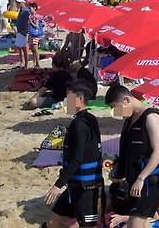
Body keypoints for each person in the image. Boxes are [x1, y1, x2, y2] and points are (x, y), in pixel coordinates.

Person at [105, 85, 159, 228]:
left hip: (150, 180)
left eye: (117, 107)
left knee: (135, 224)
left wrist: (141, 178)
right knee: (143, 222)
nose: (116, 113)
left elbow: (158, 151)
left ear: (127, 100)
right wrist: (118, 169)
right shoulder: (130, 119)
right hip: (135, 180)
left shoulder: (151, 117)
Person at [44, 80, 104, 228]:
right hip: (74, 185)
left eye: (68, 98)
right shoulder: (89, 118)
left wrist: (58, 185)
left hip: (86, 188)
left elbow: (77, 159)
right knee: (52, 222)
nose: (65, 102)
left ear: (80, 99)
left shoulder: (80, 125)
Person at [14, 0, 31, 68]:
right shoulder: (21, 10)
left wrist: (26, 31)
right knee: (19, 47)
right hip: (19, 31)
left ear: (23, 3)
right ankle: (22, 62)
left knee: (24, 48)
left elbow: (28, 22)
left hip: (23, 32)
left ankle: (26, 64)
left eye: (19, 2)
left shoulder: (25, 11)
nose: (17, 4)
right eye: (17, 3)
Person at [28, 2, 44, 68]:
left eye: (30, 8)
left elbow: (37, 26)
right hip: (31, 34)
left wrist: (30, 22)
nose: (29, 9)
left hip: (35, 35)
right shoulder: (31, 16)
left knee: (35, 49)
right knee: (33, 49)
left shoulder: (35, 16)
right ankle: (35, 63)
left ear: (34, 8)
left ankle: (37, 63)